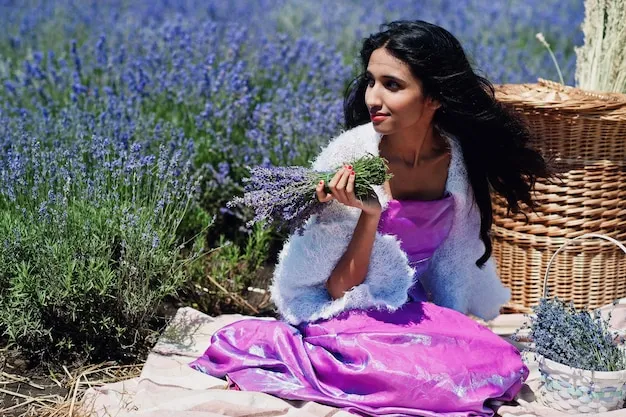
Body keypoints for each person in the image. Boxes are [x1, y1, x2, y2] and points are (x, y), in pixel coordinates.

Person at [191, 20, 550, 417]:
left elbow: (452, 260)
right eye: (371, 81)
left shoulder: (455, 163)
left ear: (434, 98)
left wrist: (454, 329)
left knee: (496, 362)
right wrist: (369, 216)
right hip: (347, 311)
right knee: (405, 373)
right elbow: (335, 287)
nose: (372, 98)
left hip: (410, 310)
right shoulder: (351, 156)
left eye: (391, 85)